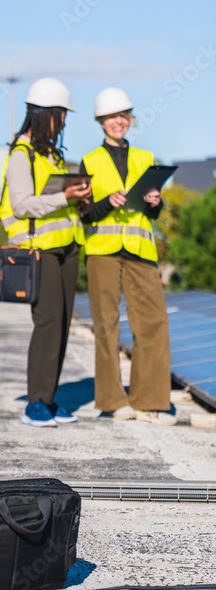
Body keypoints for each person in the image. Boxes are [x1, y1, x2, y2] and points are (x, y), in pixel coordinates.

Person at [0, 77, 92, 427]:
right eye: (61, 115)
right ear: (45, 116)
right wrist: (64, 197)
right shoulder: (20, 155)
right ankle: (35, 403)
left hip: (67, 248)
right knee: (47, 323)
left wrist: (78, 197)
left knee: (62, 324)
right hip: (40, 251)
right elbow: (22, 205)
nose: (64, 122)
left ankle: (49, 400)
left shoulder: (51, 154)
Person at [79, 88, 174, 425]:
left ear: (129, 119)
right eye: (111, 116)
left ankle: (150, 400)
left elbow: (155, 212)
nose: (118, 121)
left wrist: (154, 202)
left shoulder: (146, 159)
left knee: (153, 322)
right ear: (101, 121)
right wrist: (108, 203)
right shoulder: (89, 162)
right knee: (107, 325)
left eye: (123, 116)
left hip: (140, 251)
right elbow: (85, 214)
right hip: (103, 252)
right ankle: (112, 401)